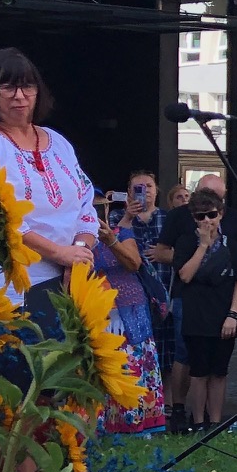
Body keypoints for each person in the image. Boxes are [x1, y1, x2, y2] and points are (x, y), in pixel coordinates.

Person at [0, 49, 100, 335]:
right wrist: (59, 253)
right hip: (7, 290)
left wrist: (78, 253)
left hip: (69, 284)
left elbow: (86, 205)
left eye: (27, 86)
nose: (19, 96)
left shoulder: (59, 142)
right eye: (7, 87)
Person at [152, 171, 233, 430]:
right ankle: (178, 409)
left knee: (216, 364)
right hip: (186, 297)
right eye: (202, 212)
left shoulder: (230, 224)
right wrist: (191, 255)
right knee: (185, 354)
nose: (208, 217)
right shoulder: (178, 218)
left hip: (219, 299)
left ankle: (213, 417)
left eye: (215, 205)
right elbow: (161, 253)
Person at [96, 173, 168, 435]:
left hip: (131, 308)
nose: (95, 210)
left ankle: (140, 423)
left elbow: (133, 263)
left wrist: (111, 241)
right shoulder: (74, 236)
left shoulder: (119, 231)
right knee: (107, 366)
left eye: (99, 205)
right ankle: (108, 425)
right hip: (100, 309)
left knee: (136, 364)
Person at [174, 188, 237, 429]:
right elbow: (184, 275)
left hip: (224, 314)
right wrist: (202, 246)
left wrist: (234, 314)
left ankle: (216, 422)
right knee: (198, 371)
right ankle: (198, 421)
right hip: (196, 316)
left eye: (211, 215)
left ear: (220, 214)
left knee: (219, 372)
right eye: (200, 216)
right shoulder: (185, 242)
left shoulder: (231, 245)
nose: (206, 221)